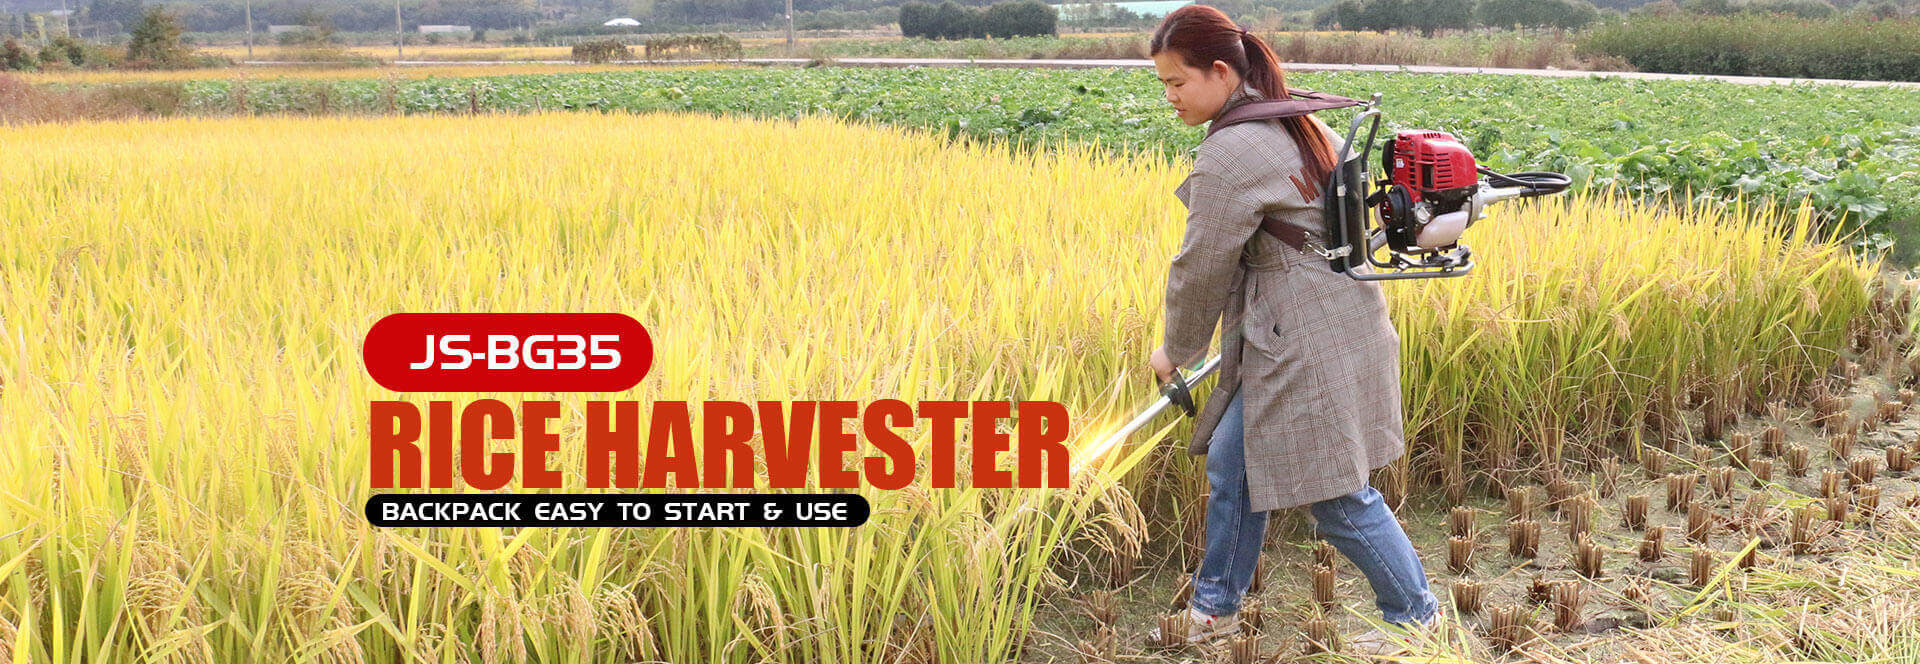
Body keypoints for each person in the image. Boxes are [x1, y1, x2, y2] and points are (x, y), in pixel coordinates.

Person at [1141, 5, 1441, 655]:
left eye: (1176, 83)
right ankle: (1216, 604)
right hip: (1325, 323)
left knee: (1334, 492)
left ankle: (1418, 616)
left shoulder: (1231, 149)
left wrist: (1178, 349)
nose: (1169, 98)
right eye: (1162, 84)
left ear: (1221, 71)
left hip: (1305, 342)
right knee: (1233, 460)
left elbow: (1201, 266)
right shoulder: (1296, 117)